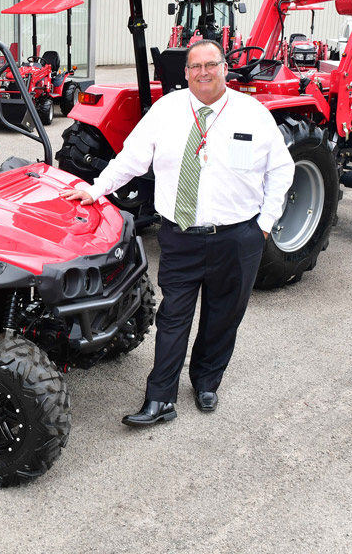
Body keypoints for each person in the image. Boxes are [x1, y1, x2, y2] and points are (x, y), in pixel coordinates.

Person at [60, 40, 294, 426]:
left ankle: (206, 381)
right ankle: (160, 399)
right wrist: (94, 189)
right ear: (186, 72)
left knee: (223, 316)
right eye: (195, 66)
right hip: (181, 235)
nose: (203, 72)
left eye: (211, 65)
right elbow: (131, 158)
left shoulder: (253, 115)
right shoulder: (167, 110)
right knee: (173, 318)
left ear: (225, 69)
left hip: (238, 237)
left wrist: (265, 223)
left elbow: (281, 170)